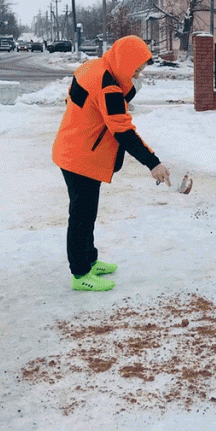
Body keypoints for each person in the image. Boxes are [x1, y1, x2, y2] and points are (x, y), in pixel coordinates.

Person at [51, 35, 171, 291]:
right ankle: (80, 273)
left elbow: (74, 98)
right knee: (81, 215)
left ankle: (89, 259)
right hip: (80, 157)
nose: (137, 75)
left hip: (74, 148)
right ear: (123, 63)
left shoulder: (92, 66)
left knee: (87, 211)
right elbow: (123, 131)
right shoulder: (109, 87)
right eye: (135, 70)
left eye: (140, 71)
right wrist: (154, 164)